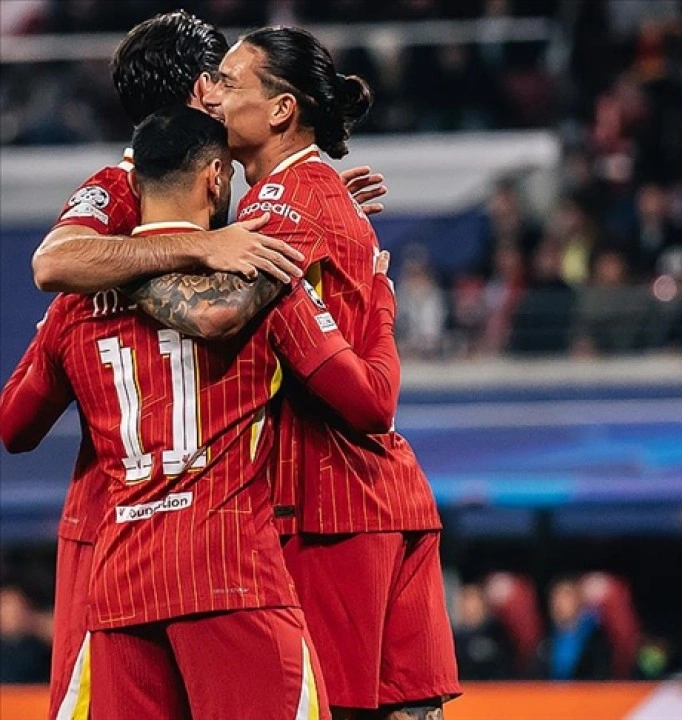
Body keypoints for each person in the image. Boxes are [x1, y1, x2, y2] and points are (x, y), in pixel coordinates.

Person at [21, 12, 386, 717]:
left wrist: (312, 213)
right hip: (160, 523)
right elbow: (53, 263)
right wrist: (201, 248)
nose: (224, 91)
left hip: (170, 530)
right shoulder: (124, 186)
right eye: (219, 77)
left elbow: (17, 416)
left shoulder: (226, 203)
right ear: (199, 90)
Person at [206, 27, 459, 719]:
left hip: (328, 506)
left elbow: (213, 323)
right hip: (384, 497)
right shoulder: (310, 196)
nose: (213, 97)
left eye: (228, 82)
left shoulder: (278, 209)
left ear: (281, 109)